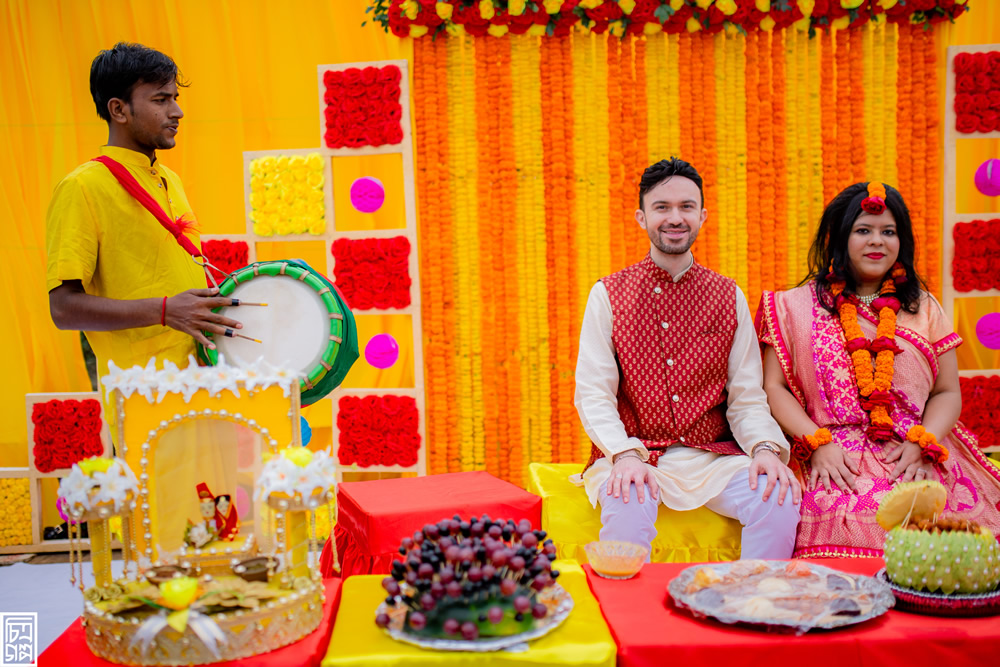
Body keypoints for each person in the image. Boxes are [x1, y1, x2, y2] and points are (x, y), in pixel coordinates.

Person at [573, 158, 802, 560]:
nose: (675, 218)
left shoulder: (727, 295)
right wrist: (624, 454)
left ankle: (753, 606)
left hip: (712, 458)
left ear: (702, 216)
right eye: (662, 207)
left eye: (686, 207)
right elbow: (594, 393)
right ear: (642, 217)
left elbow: (747, 399)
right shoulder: (609, 294)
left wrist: (766, 449)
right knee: (627, 500)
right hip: (635, 451)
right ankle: (632, 620)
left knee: (777, 498)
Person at [757, 182, 1000, 558]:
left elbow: (947, 392)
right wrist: (817, 443)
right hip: (831, 454)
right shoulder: (794, 307)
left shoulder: (923, 307)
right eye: (863, 231)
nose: (878, 242)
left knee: (955, 536)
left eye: (889, 232)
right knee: (848, 518)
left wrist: (925, 442)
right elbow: (773, 388)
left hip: (914, 449)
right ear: (840, 237)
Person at [46, 42, 242, 391]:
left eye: (175, 98)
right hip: (143, 395)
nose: (177, 111)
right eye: (161, 100)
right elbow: (63, 309)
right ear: (119, 110)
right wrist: (166, 310)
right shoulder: (82, 187)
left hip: (204, 382)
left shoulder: (170, 180)